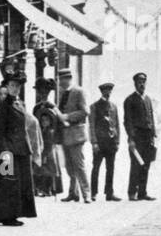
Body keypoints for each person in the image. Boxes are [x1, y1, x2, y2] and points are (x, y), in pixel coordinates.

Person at [0, 60, 36, 226]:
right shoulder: (3, 105)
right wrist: (4, 153)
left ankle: (15, 213)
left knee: (19, 182)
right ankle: (6, 215)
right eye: (13, 85)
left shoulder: (19, 103)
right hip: (7, 150)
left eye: (18, 86)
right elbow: (0, 130)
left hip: (21, 148)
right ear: (6, 86)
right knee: (7, 181)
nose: (15, 89)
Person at [55, 67, 91, 203]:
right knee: (69, 167)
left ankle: (86, 194)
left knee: (79, 165)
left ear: (68, 79)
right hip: (65, 135)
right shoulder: (62, 93)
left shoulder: (79, 92)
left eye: (62, 79)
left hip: (76, 135)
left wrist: (67, 117)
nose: (60, 83)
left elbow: (85, 112)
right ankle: (73, 193)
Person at [123, 72, 157, 200]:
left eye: (144, 82)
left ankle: (143, 192)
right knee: (136, 164)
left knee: (146, 165)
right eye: (139, 82)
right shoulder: (130, 100)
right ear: (135, 84)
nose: (142, 84)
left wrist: (153, 135)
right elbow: (128, 121)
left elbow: (151, 117)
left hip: (147, 137)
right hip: (137, 137)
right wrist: (131, 139)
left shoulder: (148, 99)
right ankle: (132, 193)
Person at [89, 82, 121, 201]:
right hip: (100, 143)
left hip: (111, 142)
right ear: (102, 92)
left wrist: (117, 141)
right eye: (106, 91)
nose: (108, 93)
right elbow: (91, 125)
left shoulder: (113, 106)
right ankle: (93, 193)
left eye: (110, 91)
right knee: (96, 167)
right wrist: (94, 142)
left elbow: (117, 125)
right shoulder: (94, 106)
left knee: (110, 168)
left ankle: (109, 193)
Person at [30, 79, 63, 197]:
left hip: (49, 139)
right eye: (41, 92)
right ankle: (39, 187)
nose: (43, 94)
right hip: (39, 138)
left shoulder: (53, 107)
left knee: (49, 163)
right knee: (39, 164)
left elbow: (59, 122)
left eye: (45, 92)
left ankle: (49, 188)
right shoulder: (36, 107)